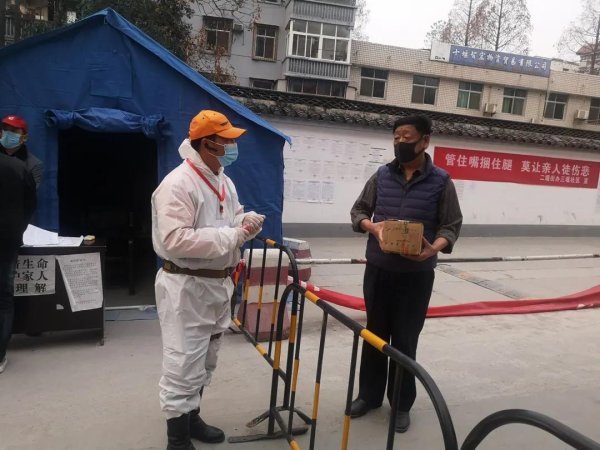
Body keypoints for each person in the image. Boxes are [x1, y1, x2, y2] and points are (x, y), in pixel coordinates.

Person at [151, 110, 265, 450]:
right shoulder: (178, 184)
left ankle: (192, 417)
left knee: (206, 358)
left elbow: (231, 218)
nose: (232, 146)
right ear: (206, 144)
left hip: (218, 284)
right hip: (186, 286)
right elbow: (176, 240)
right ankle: (177, 439)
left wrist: (246, 220)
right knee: (183, 360)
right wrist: (233, 235)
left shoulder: (222, 180)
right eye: (226, 140)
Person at [349, 114, 462, 433]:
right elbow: (358, 211)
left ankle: (400, 405)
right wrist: (373, 227)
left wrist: (432, 249)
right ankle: (368, 396)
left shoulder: (441, 181)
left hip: (416, 277)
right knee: (374, 335)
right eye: (396, 137)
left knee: (405, 340)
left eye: (406, 137)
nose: (400, 142)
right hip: (379, 271)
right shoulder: (382, 175)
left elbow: (451, 225)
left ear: (424, 141)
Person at [0, 152, 37, 374]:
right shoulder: (17, 167)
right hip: (7, 240)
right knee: (4, 297)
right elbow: (31, 203)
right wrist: (18, 229)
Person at [1, 115, 44, 190]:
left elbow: (29, 193)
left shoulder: (34, 164)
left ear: (24, 137)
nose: (7, 133)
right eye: (5, 129)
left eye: (13, 131)